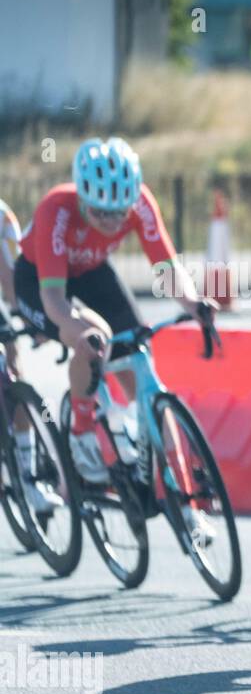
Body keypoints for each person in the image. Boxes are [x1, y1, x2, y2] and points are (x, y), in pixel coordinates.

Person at [14, 138, 213, 498]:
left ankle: (182, 491)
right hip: (40, 280)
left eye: (119, 212)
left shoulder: (140, 202)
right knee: (93, 339)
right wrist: (80, 334)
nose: (110, 221)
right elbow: (55, 300)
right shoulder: (56, 210)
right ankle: (82, 434)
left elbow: (168, 268)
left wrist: (195, 304)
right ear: (83, 199)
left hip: (91, 271)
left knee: (137, 361)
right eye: (100, 212)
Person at [0, 196, 61, 516]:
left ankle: (27, 476)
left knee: (13, 368)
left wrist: (26, 319)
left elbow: (11, 281)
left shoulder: (2, 217)